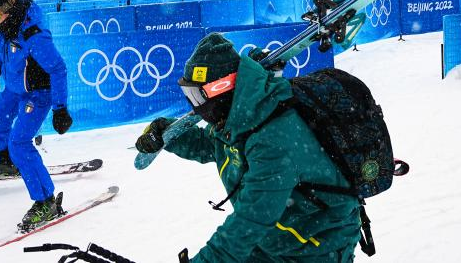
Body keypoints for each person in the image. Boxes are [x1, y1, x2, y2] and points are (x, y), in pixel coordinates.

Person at [135, 33, 361, 262]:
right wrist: (165, 133)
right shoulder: (237, 118)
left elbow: (249, 221)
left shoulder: (274, 140)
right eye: (188, 94)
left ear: (220, 88)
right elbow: (210, 145)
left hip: (317, 246)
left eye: (196, 95)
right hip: (275, 239)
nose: (195, 106)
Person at [0, 0, 73, 231]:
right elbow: (5, 52)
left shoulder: (34, 34)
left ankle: (46, 200)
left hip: (38, 93)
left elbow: (58, 69)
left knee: (20, 143)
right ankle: (6, 163)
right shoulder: (8, 25)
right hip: (15, 87)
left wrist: (60, 108)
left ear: (7, 10)